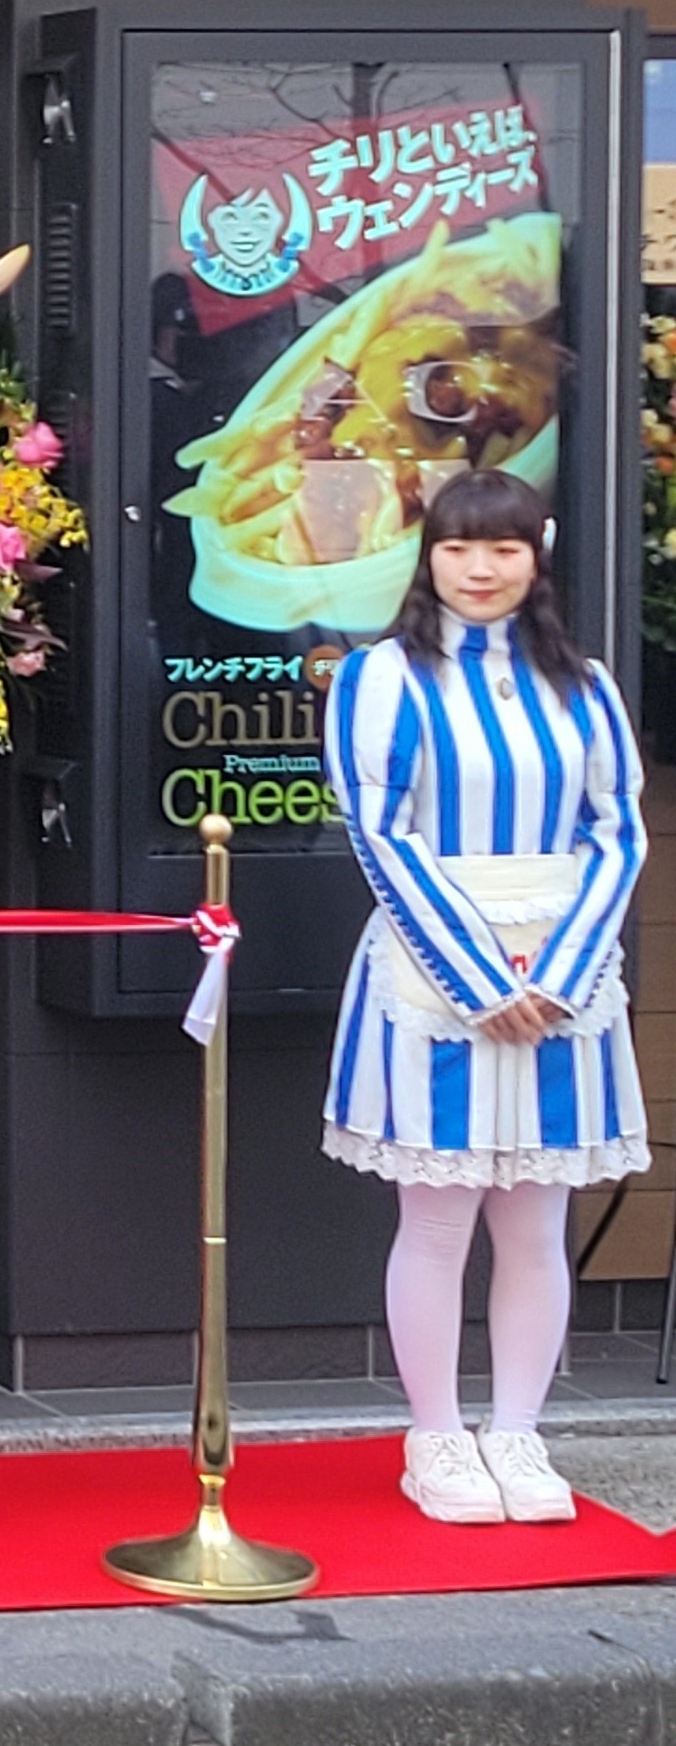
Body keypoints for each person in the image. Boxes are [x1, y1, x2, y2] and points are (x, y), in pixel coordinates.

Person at [321, 468, 646, 1526]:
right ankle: (438, 1436)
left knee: (536, 1219)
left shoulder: (583, 684)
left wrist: (562, 975)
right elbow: (380, 829)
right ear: (430, 555)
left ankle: (518, 1430)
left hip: (565, 976)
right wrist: (471, 976)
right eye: (460, 548)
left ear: (535, 555)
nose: (480, 568)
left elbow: (619, 831)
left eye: (502, 548)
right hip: (432, 973)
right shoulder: (381, 678)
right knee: (438, 1217)